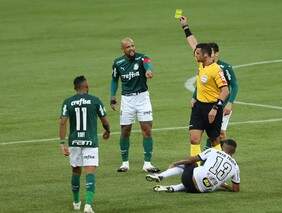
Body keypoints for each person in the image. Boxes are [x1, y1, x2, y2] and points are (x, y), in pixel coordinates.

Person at [179, 16, 238, 151]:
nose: (195, 54)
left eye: (198, 53)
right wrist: (185, 27)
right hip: (199, 107)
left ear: (205, 55)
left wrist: (216, 108)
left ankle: (217, 164)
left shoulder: (216, 70)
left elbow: (226, 90)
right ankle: (196, 168)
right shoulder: (201, 64)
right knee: (194, 138)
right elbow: (193, 43)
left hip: (213, 107)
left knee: (215, 139)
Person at [59, 75, 110, 213]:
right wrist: (108, 131)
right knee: (90, 172)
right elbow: (104, 120)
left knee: (76, 171)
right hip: (90, 141)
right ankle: (88, 205)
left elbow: (63, 122)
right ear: (86, 86)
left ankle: (76, 202)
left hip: (74, 141)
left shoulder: (67, 102)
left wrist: (62, 143)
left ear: (75, 88)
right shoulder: (95, 100)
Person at [110, 37, 160, 173]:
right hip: (127, 100)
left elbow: (148, 65)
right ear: (123, 49)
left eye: (133, 46)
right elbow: (114, 80)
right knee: (125, 130)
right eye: (128, 47)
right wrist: (113, 96)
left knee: (147, 130)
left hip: (142, 98)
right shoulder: (118, 63)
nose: (131, 48)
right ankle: (125, 163)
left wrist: (149, 71)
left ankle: (148, 164)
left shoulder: (142, 58)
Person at [146, 139, 240, 193]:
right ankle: (174, 188)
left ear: (223, 147)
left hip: (188, 179)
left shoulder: (214, 151)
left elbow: (191, 160)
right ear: (234, 152)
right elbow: (236, 189)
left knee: (192, 164)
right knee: (199, 181)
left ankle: (160, 175)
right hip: (199, 190)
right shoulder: (236, 167)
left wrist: (175, 163)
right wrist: (224, 185)